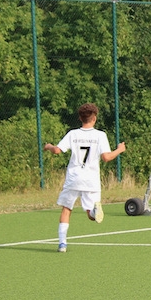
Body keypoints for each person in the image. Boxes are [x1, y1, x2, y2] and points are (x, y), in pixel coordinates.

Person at [43, 103, 126, 253]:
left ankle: (62, 244)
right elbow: (106, 157)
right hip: (91, 180)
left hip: (74, 178)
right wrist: (119, 149)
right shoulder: (100, 135)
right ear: (94, 118)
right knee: (90, 215)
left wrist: (48, 146)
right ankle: (95, 211)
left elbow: (57, 151)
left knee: (67, 209)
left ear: (80, 118)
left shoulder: (73, 134)